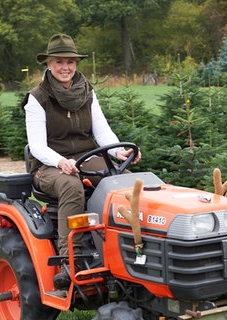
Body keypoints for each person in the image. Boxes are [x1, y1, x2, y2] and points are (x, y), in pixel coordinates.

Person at [23, 33, 140, 258]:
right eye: (59, 61)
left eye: (70, 62)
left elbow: (102, 131)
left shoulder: (87, 92)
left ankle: (126, 246)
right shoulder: (37, 98)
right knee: (71, 185)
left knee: (125, 183)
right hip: (48, 166)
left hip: (85, 157)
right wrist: (60, 161)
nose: (65, 67)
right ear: (49, 64)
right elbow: (36, 145)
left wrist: (119, 151)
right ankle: (70, 258)